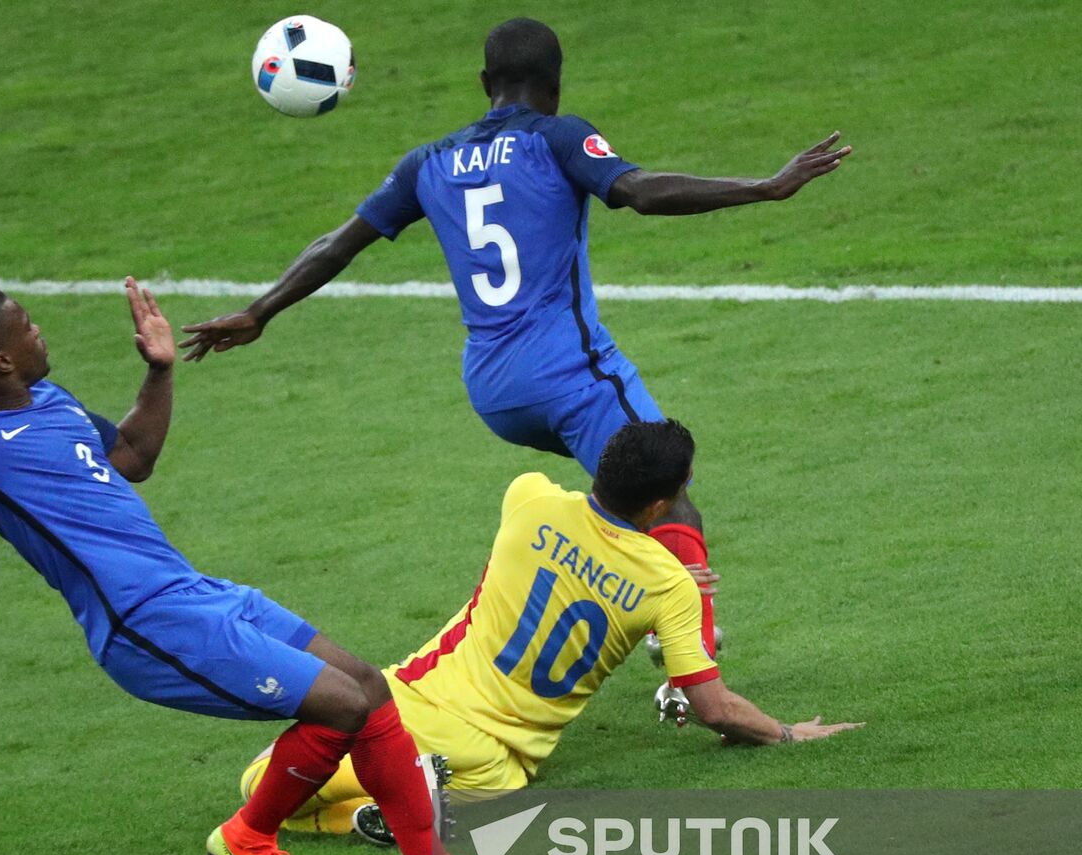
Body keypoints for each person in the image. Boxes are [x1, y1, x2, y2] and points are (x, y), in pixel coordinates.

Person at [0, 280, 538, 855]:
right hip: (147, 627)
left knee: (368, 686)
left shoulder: (52, 399)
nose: (43, 334)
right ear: (1, 359)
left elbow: (134, 458)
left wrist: (160, 370)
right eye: (29, 330)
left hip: (195, 591)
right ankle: (249, 837)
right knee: (338, 706)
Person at [180, 17, 853, 667]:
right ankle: (689, 662)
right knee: (669, 486)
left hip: (493, 391)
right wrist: (764, 187)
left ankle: (607, 605)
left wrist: (260, 309)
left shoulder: (427, 163)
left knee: (620, 491)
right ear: (556, 85)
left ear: (484, 82)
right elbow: (640, 192)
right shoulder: (558, 138)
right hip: (568, 373)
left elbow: (338, 243)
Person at [237, 420, 863, 844]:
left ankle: (389, 808)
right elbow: (712, 708)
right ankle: (408, 810)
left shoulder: (530, 497)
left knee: (261, 788)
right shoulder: (668, 585)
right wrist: (786, 733)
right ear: (657, 508)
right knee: (411, 798)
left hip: (403, 704)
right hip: (493, 766)